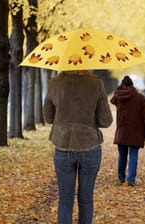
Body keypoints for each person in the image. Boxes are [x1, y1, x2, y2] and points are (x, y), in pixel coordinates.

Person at [43, 70, 113, 224]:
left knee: (65, 199)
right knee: (86, 199)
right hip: (90, 145)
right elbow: (106, 121)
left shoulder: (55, 83)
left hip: (63, 145)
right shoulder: (96, 84)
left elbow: (48, 117)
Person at [111, 75, 145, 186]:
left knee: (122, 156)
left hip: (122, 130)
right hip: (136, 131)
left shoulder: (119, 96)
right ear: (133, 85)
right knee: (133, 155)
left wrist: (119, 89)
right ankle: (131, 179)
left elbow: (112, 100)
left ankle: (121, 177)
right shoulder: (140, 98)